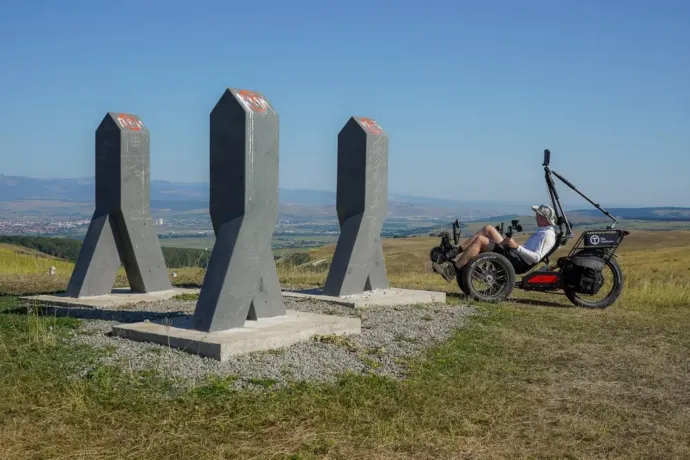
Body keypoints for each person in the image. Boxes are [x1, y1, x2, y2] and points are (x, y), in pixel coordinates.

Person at [432, 204, 558, 282]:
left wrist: (516, 247)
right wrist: (512, 245)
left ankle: (452, 271)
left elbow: (536, 257)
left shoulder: (547, 235)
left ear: (543, 218)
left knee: (480, 240)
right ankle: (454, 251)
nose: (535, 216)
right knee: (488, 229)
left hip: (519, 262)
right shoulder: (543, 231)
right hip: (515, 254)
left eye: (537, 215)